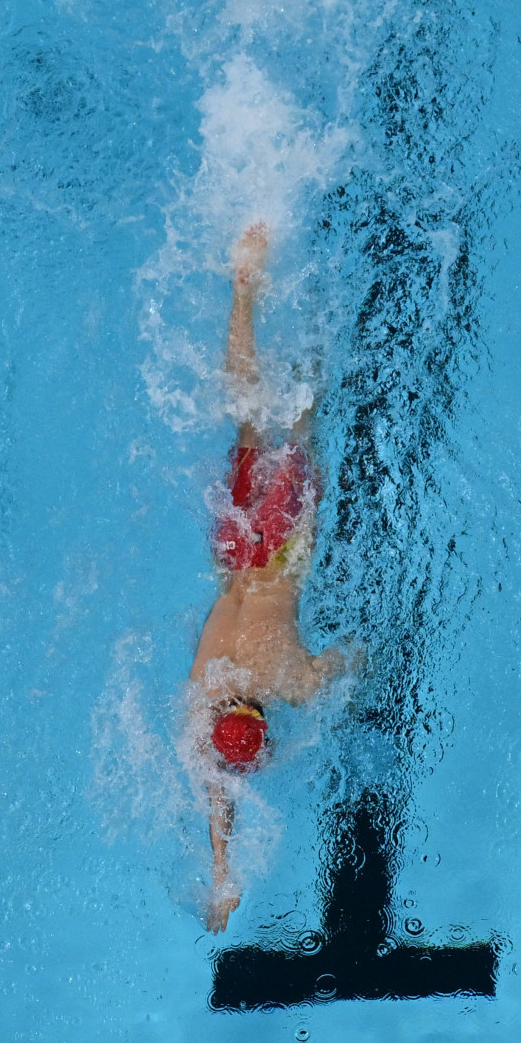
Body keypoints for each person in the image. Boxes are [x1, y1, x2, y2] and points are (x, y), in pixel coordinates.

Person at [188, 224, 348, 933]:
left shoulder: (290, 681)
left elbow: (351, 658)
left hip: (281, 552)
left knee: (302, 422)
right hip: (234, 547)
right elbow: (210, 781)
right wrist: (218, 870)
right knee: (251, 424)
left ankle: (318, 306)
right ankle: (245, 288)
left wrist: (348, 666)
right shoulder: (206, 682)